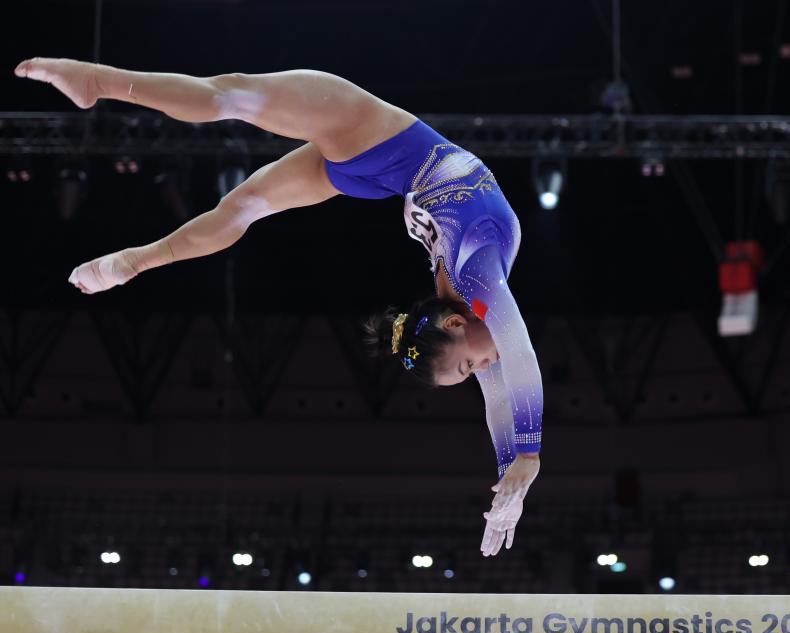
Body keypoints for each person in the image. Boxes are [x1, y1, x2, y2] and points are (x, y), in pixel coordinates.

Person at [14, 57, 543, 557]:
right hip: (371, 131)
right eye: (469, 366)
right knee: (230, 96)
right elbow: (518, 357)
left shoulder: (467, 302)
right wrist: (526, 454)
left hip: (377, 173)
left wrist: (509, 480)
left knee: (240, 207)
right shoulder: (480, 273)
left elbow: (500, 390)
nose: (484, 368)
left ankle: (135, 261)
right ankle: (99, 82)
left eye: (469, 367)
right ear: (455, 324)